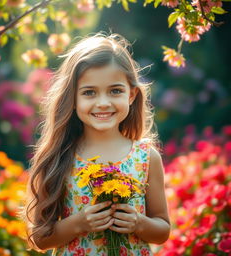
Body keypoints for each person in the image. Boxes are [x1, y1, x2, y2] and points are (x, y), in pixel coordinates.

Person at [24, 32, 170, 256]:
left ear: (131, 95)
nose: (103, 103)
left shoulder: (146, 157)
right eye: (89, 92)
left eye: (115, 91)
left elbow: (162, 230)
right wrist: (79, 223)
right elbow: (40, 238)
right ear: (72, 98)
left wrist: (139, 223)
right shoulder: (60, 156)